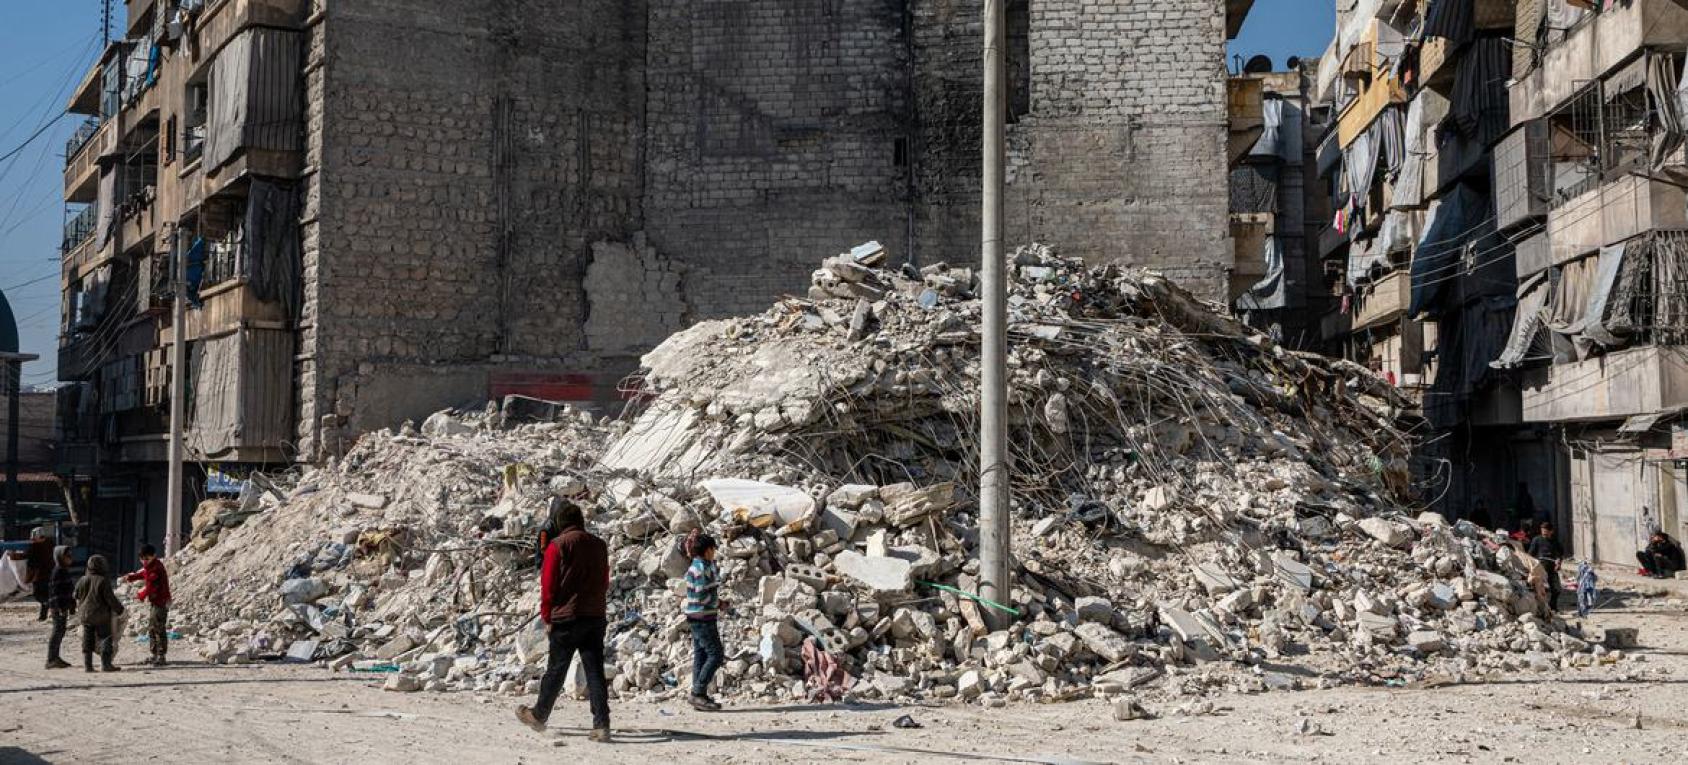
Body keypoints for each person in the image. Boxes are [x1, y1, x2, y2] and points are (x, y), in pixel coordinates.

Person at [515, 501, 611, 743]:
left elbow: (548, 587)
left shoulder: (557, 546)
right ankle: (601, 724)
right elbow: (604, 580)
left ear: (560, 523)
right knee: (595, 672)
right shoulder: (599, 545)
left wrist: (547, 616)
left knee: (556, 670)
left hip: (566, 618)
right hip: (594, 617)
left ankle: (539, 715)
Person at [682, 530, 725, 712]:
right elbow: (701, 595)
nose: (714, 552)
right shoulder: (700, 568)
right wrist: (719, 603)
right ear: (707, 550)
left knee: (701, 654)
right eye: (712, 549)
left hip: (700, 616)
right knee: (716, 655)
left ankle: (698, 693)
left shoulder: (702, 565)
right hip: (702, 617)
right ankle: (698, 692)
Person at [123, 544, 173, 665]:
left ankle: (161, 656)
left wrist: (141, 595)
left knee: (158, 629)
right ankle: (154, 654)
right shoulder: (151, 566)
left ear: (154, 556)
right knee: (152, 629)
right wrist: (131, 577)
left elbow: (150, 587)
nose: (144, 561)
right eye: (142, 559)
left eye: (147, 559)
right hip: (155, 603)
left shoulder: (156, 568)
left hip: (160, 603)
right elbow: (143, 574)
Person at [74, 554, 125, 672]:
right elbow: (110, 599)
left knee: (87, 640)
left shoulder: (82, 579)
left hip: (85, 615)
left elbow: (75, 595)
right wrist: (120, 610)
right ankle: (106, 664)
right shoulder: (103, 581)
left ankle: (88, 665)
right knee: (105, 638)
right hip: (101, 616)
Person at [7, 527, 56, 621]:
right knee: (45, 595)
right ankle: (43, 616)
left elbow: (30, 559)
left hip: (39, 575)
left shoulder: (36, 547)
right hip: (50, 574)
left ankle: (51, 608)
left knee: (39, 595)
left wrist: (16, 556)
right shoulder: (50, 544)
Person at [44, 546, 76, 669]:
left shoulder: (63, 570)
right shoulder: (58, 571)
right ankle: (51, 659)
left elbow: (68, 590)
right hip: (58, 607)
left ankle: (55, 657)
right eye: (67, 555)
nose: (70, 558)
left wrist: (71, 605)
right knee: (57, 631)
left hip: (63, 606)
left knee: (61, 630)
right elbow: (55, 592)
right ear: (60, 557)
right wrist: (60, 607)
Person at [1527, 522, 1563, 611]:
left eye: (1546, 532)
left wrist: (1559, 562)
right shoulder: (1537, 540)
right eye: (1543, 531)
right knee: (1538, 590)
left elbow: (1560, 554)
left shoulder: (1555, 541)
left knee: (1557, 589)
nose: (1544, 533)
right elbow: (1530, 554)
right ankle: (1539, 608)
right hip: (1540, 567)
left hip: (1552, 567)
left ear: (1551, 532)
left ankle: (1553, 607)